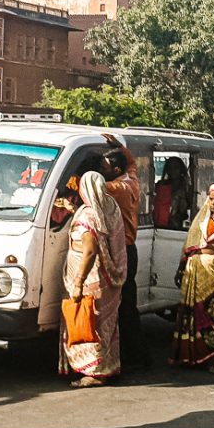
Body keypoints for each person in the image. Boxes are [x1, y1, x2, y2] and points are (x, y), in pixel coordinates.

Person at [60, 171, 127, 387]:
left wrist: (78, 282)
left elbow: (89, 250)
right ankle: (108, 365)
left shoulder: (87, 216)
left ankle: (93, 371)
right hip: (109, 278)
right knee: (106, 323)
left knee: (88, 321)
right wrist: (73, 211)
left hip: (90, 276)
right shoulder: (111, 206)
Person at [171, 183, 214, 373]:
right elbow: (190, 245)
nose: (213, 203)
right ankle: (192, 355)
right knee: (194, 313)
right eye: (210, 199)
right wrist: (181, 268)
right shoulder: (202, 219)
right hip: (196, 269)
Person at [100, 140, 147, 371]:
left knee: (122, 305)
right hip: (130, 249)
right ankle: (135, 353)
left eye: (104, 167)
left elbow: (91, 186)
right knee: (127, 304)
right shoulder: (132, 180)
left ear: (115, 171)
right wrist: (120, 146)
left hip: (123, 249)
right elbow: (132, 163)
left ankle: (133, 356)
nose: (102, 170)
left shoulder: (118, 188)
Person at [154, 157, 191, 229]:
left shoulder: (186, 187)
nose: (172, 170)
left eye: (176, 167)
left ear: (181, 169)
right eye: (170, 168)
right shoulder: (161, 185)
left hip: (179, 226)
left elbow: (186, 209)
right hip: (160, 223)